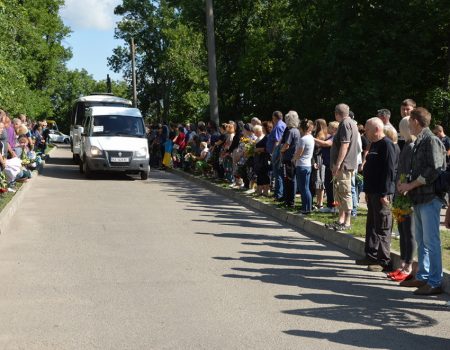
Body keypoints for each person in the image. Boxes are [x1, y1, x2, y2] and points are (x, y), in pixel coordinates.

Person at [398, 107, 445, 295]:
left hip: (430, 198)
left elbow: (434, 169)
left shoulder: (431, 140)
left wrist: (410, 186)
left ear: (416, 121)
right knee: (422, 240)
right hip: (420, 198)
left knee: (431, 241)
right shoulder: (421, 140)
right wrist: (407, 184)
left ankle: (435, 282)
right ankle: (423, 277)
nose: (408, 125)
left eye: (410, 121)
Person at [356, 118, 397, 272]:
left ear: (377, 129)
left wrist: (385, 193)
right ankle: (371, 255)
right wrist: (366, 190)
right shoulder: (374, 144)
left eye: (367, 129)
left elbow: (389, 171)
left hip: (382, 193)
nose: (365, 132)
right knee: (372, 225)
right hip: (372, 192)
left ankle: (383, 260)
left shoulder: (387, 145)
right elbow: (369, 169)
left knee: (383, 226)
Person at [388, 117, 416, 282]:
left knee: (408, 231)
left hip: (407, 194)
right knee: (403, 230)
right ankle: (404, 263)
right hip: (400, 192)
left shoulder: (412, 146)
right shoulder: (406, 144)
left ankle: (408, 265)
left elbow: (410, 168)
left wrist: (404, 184)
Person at [326, 103, 359, 231]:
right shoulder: (351, 123)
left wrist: (338, 164)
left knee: (345, 192)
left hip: (344, 166)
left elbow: (345, 145)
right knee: (339, 192)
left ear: (337, 114)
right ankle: (341, 219)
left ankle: (347, 221)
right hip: (344, 165)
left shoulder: (345, 124)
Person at [293, 119, 314, 214]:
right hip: (308, 164)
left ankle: (305, 208)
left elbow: (299, 153)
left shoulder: (303, 139)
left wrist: (293, 159)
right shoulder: (311, 137)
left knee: (303, 188)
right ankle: (307, 207)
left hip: (301, 165)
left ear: (301, 128)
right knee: (306, 187)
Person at [315, 121, 338, 213]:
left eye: (330, 126)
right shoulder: (330, 136)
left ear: (334, 129)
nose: (328, 128)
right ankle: (329, 205)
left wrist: (312, 138)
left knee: (334, 187)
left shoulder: (335, 138)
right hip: (328, 164)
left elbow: (326, 144)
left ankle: (335, 207)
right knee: (328, 186)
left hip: (333, 165)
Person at [280, 111, 301, 207]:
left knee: (288, 179)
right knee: (292, 179)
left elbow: (286, 145)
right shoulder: (297, 131)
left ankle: (289, 201)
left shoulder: (290, 131)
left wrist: (281, 150)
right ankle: (289, 200)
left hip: (288, 158)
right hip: (294, 158)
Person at [266, 111, 286, 201]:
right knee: (278, 174)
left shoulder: (278, 126)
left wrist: (273, 153)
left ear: (275, 117)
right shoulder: (282, 124)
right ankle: (278, 193)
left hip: (277, 152)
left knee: (277, 173)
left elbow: (277, 141)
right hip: (279, 152)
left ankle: (278, 194)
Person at [311, 119, 328, 209]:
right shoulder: (320, 134)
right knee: (317, 183)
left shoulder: (321, 135)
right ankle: (318, 202)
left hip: (319, 159)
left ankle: (320, 203)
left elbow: (318, 148)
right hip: (317, 158)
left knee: (320, 182)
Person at [254, 121, 272, 196]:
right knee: (260, 174)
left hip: (265, 157)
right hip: (260, 158)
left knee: (264, 174)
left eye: (262, 126)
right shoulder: (266, 136)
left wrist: (259, 149)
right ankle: (259, 190)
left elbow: (268, 148)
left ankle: (265, 191)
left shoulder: (268, 137)